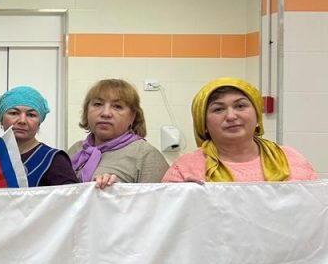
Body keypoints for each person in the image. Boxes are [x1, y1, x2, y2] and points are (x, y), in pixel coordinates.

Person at [163, 77, 316, 183]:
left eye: (240, 106)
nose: (231, 116)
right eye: (218, 109)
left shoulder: (292, 160)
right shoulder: (184, 169)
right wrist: (184, 198)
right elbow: (168, 217)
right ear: (203, 124)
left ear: (257, 117)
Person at [68, 79, 168, 188]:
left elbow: (158, 198)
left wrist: (116, 192)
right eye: (98, 104)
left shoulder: (146, 155)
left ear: (132, 116)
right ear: (87, 111)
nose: (106, 113)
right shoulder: (76, 149)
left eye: (117, 106)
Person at [0, 86, 77, 187]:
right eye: (14, 113)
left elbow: (72, 195)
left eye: (31, 115)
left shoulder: (54, 160)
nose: (22, 121)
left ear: (39, 123)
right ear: (1, 119)